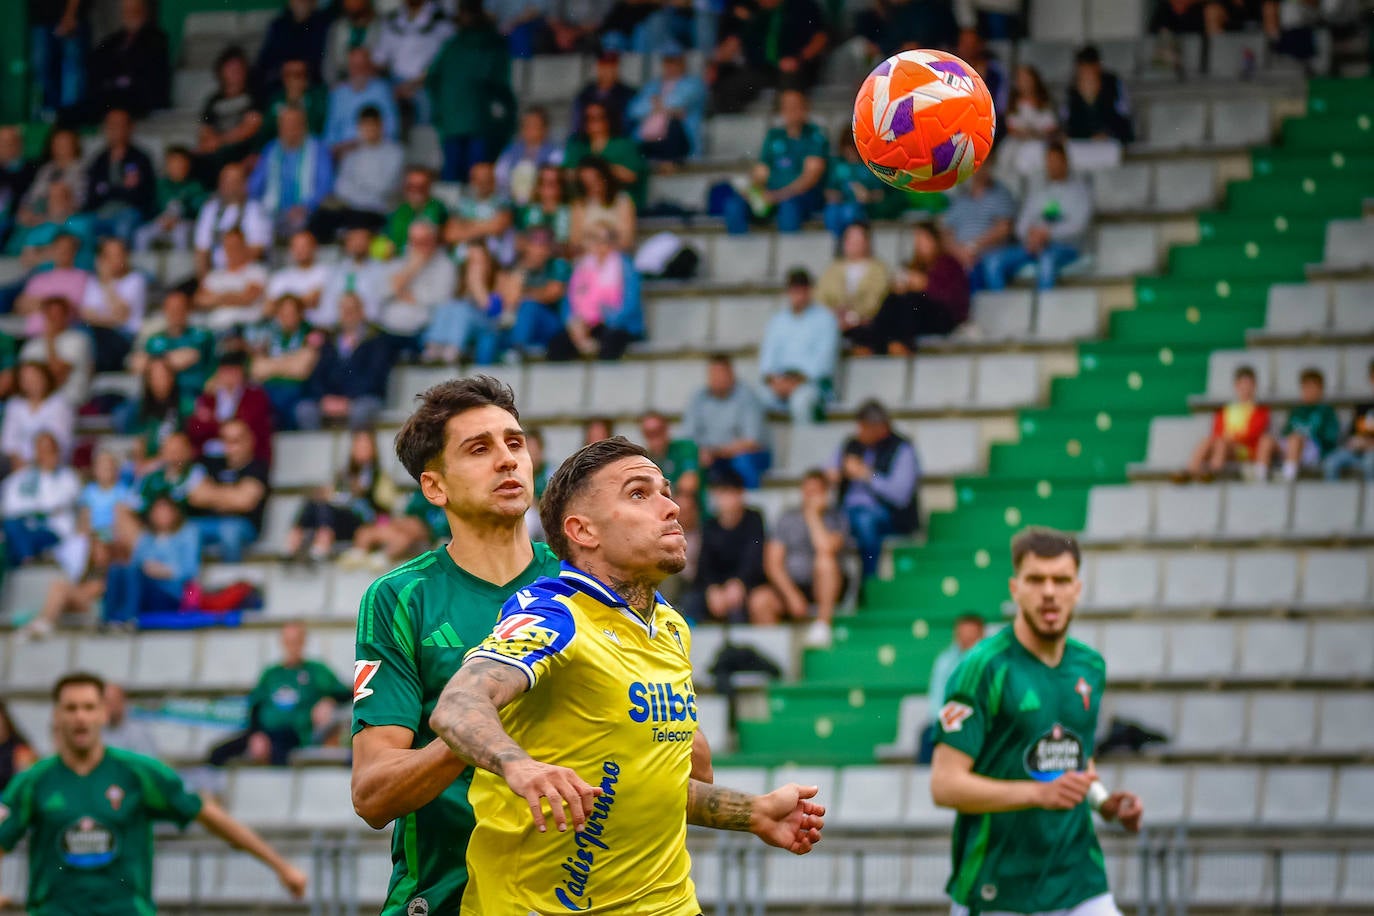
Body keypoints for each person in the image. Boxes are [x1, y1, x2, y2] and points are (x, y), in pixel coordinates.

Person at [428, 436, 824, 914]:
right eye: (640, 493)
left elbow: (649, 787)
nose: (672, 507)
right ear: (583, 531)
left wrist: (753, 812)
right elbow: (457, 706)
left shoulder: (671, 626)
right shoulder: (555, 615)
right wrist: (520, 766)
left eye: (666, 490)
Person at [348, 377, 568, 914]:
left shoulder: (587, 584)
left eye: (515, 443)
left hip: (574, 895)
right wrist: (475, 736)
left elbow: (683, 759)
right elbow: (373, 793)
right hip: (445, 898)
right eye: (479, 449)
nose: (507, 460)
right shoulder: (399, 598)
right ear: (434, 487)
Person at [931, 528, 1144, 916]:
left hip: (1079, 880)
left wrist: (1102, 801)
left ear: (1077, 589)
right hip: (1000, 888)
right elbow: (944, 786)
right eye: (1036, 579)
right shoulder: (981, 669)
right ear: (1015, 588)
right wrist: (1037, 793)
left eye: (1061, 580)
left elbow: (1074, 759)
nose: (1050, 591)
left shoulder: (1090, 667)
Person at [0, 672, 308, 912]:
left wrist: (280, 865)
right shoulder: (33, 782)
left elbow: (207, 814)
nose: (80, 716)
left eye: (89, 707)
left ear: (103, 714)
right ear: (57, 716)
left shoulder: (138, 773)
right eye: (71, 708)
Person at [210, 621, 351, 765]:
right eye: (289, 641)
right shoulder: (271, 674)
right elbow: (255, 706)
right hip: (264, 732)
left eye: (296, 641)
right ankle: (209, 785)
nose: (292, 646)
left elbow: (344, 694)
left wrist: (329, 701)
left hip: (294, 732)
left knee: (278, 754)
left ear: (303, 642)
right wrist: (256, 734)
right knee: (217, 752)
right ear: (282, 642)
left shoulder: (316, 671)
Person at [426, 0, 515, 185]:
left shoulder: (463, 45)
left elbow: (432, 79)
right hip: (472, 121)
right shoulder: (479, 44)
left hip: (463, 121)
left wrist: (441, 111)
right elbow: (500, 86)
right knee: (471, 174)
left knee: (461, 175)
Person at [983, 142, 1093, 291]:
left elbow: (1079, 226)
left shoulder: (1080, 191)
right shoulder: (1038, 191)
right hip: (1032, 246)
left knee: (1046, 261)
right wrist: (1032, 236)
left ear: (1065, 162)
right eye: (1049, 161)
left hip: (1066, 247)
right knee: (993, 261)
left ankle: (1045, 312)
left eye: (1056, 161)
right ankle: (1004, 311)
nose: (1052, 165)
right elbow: (1021, 225)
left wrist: (1047, 234)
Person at [756, 469, 848, 647]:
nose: (809, 497)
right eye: (806, 491)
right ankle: (774, 655)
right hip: (792, 587)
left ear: (825, 493)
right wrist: (791, 595)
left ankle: (823, 625)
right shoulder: (787, 518)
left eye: (815, 492)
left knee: (825, 561)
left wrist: (812, 516)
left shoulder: (836, 517)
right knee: (760, 601)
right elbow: (773, 564)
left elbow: (826, 547)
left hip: (825, 587)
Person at [830, 400, 920, 578]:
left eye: (863, 427)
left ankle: (868, 579)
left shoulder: (902, 449)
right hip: (846, 511)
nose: (859, 432)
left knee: (866, 521)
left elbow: (900, 495)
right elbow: (827, 469)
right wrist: (835, 474)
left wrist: (868, 475)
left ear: (879, 427)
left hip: (887, 516)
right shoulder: (850, 445)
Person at [724, 89, 829, 235]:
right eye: (786, 107)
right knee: (734, 205)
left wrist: (779, 195)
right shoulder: (774, 135)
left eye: (795, 106)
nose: (791, 111)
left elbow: (810, 178)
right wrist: (753, 191)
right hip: (772, 194)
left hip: (801, 197)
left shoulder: (815, 135)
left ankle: (788, 253)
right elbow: (762, 172)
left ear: (805, 108)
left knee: (789, 208)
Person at [857, 222, 970, 353]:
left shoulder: (949, 264)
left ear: (935, 240)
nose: (920, 244)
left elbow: (954, 299)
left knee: (911, 299)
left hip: (944, 318)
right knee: (893, 299)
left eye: (923, 239)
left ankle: (901, 344)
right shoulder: (915, 265)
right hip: (918, 318)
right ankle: (872, 343)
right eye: (917, 240)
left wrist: (925, 285)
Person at [285, 427, 389, 562]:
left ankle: (323, 542)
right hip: (339, 517)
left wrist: (354, 495)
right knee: (312, 502)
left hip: (361, 521)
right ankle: (294, 541)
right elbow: (337, 494)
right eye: (358, 444)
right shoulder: (344, 475)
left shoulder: (378, 477)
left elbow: (383, 508)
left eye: (365, 444)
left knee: (325, 507)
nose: (361, 448)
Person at [547, 223, 644, 361]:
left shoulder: (625, 266)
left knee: (610, 342)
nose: (599, 245)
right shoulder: (581, 266)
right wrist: (574, 324)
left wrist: (597, 320)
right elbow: (569, 302)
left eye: (604, 240)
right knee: (558, 345)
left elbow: (630, 304)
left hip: (615, 324)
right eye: (594, 239)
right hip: (584, 325)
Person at [298, 292, 394, 430]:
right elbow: (317, 375)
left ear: (361, 311)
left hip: (363, 398)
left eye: (352, 309)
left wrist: (348, 400)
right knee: (304, 410)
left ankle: (357, 450)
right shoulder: (329, 341)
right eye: (343, 309)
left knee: (360, 411)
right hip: (330, 399)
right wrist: (323, 399)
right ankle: (315, 451)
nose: (347, 313)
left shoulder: (377, 341)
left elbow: (375, 377)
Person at [711, 0, 829, 112]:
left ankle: (789, 127)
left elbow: (820, 39)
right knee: (727, 89)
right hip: (763, 70)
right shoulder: (754, 11)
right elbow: (734, 44)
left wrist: (799, 59)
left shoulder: (802, 6)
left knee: (789, 83)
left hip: (796, 68)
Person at [311, 106, 405, 242]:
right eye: (365, 126)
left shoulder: (395, 153)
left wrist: (357, 189)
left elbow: (383, 188)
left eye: (373, 125)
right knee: (320, 218)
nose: (369, 130)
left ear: (381, 125)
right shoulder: (352, 153)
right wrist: (360, 193)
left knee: (358, 220)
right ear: (359, 128)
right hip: (352, 208)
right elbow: (340, 187)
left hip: (379, 210)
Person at [759, 268, 840, 423]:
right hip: (779, 383)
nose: (799, 296)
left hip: (813, 385)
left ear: (810, 291)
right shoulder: (777, 321)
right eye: (794, 291)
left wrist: (796, 382)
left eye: (803, 291)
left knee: (801, 401)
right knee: (757, 400)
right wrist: (774, 381)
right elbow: (767, 359)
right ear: (788, 292)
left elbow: (824, 362)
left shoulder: (826, 319)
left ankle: (804, 446)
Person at [102, 495, 200, 624]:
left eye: (165, 510)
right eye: (157, 511)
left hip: (170, 593)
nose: (161, 515)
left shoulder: (187, 533)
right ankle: (109, 619)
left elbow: (190, 569)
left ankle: (129, 618)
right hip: (146, 586)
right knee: (116, 569)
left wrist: (163, 570)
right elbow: (135, 563)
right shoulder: (146, 537)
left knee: (134, 573)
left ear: (174, 513)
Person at [680, 353, 772, 488]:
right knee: (688, 463)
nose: (717, 379)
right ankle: (697, 507)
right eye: (713, 374)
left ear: (731, 374)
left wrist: (716, 452)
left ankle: (749, 503)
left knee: (743, 462)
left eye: (721, 374)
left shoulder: (748, 397)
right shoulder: (698, 398)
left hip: (746, 456)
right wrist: (699, 452)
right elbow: (687, 438)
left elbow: (752, 442)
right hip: (711, 457)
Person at [186, 419, 271, 561]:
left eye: (236, 440)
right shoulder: (212, 463)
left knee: (229, 530)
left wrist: (213, 494)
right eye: (226, 440)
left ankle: (232, 579)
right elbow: (195, 496)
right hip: (211, 523)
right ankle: (189, 581)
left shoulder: (258, 467)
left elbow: (244, 502)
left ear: (249, 440)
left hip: (244, 526)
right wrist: (232, 494)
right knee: (186, 529)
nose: (231, 446)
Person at [694, 464, 770, 622]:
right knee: (691, 602)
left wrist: (740, 582)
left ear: (740, 494)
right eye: (721, 493)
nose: (725, 499)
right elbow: (705, 563)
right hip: (718, 587)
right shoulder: (710, 525)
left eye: (729, 493)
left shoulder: (754, 519)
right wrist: (712, 588)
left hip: (749, 584)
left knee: (740, 606)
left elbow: (754, 557)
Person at [248, 105, 335, 238]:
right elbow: (255, 184)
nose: (290, 129)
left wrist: (306, 207)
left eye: (294, 123)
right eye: (285, 124)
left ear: (304, 125)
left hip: (306, 212)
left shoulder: (318, 149)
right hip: (272, 211)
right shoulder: (271, 149)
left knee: (298, 222)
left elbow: (325, 185)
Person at [128, 290, 217, 413]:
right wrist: (169, 361)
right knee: (125, 415)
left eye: (180, 308)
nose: (176, 313)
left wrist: (159, 361)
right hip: (159, 398)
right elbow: (137, 364)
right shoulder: (154, 340)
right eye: (172, 308)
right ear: (165, 310)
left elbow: (213, 368)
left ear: (188, 310)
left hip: (192, 395)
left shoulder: (203, 337)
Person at [2, 431, 80, 568]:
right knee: (11, 526)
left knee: (11, 539)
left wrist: (31, 509)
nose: (46, 455)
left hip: (52, 529)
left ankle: (26, 558)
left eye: (50, 450)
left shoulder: (68, 477)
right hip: (22, 526)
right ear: (35, 452)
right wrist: (32, 510)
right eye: (42, 451)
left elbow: (56, 504)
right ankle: (26, 556)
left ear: (57, 452)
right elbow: (9, 506)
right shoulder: (21, 477)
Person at [372, 0, 455, 126]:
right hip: (396, 83)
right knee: (379, 95)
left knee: (427, 102)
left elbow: (447, 60)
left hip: (428, 82)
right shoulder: (391, 19)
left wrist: (417, 82)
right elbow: (379, 59)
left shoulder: (442, 20)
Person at [495, 226, 571, 360]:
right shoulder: (518, 266)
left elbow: (551, 294)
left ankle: (517, 348)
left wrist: (523, 295)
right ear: (527, 246)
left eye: (544, 246)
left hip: (551, 324)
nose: (539, 250)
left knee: (528, 306)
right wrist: (522, 272)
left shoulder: (558, 265)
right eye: (535, 245)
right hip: (518, 320)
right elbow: (504, 298)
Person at [939, 162, 1019, 291]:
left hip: (988, 253)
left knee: (982, 268)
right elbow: (946, 234)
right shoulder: (960, 198)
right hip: (960, 255)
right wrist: (960, 253)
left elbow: (1004, 229)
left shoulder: (1001, 194)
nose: (979, 169)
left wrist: (973, 247)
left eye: (983, 165)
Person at [249, 294, 324, 429]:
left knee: (304, 411)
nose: (287, 317)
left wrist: (272, 365)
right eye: (283, 314)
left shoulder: (311, 333)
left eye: (291, 313)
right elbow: (257, 369)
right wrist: (290, 361)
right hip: (271, 394)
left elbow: (300, 370)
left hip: (298, 394)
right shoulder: (270, 335)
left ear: (300, 314)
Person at [1185, 364, 1271, 481]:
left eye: (1248, 385)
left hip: (1246, 451)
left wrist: (1230, 439)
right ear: (1236, 386)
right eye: (1242, 385)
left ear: (1254, 386)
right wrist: (1226, 439)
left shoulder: (1261, 411)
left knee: (1221, 443)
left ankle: (1213, 472)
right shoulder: (1226, 410)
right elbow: (1217, 432)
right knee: (1207, 441)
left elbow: (1253, 434)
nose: (1245, 389)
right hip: (1225, 445)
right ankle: (1192, 470)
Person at [626, 43, 707, 166]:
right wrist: (667, 109)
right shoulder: (653, 85)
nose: (671, 66)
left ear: (682, 62)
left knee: (674, 125)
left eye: (675, 61)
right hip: (648, 138)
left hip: (679, 142)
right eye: (668, 61)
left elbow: (678, 101)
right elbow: (634, 110)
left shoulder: (694, 83)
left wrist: (656, 105)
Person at [918, 612, 985, 763]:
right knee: (929, 735)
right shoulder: (944, 661)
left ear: (981, 634)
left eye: (971, 635)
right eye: (962, 634)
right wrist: (949, 721)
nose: (966, 639)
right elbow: (936, 700)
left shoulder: (992, 661)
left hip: (980, 723)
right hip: (949, 722)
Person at [84, 109, 157, 245]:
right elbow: (92, 195)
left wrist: (109, 190)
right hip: (102, 212)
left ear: (130, 127)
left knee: (124, 225)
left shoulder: (140, 158)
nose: (115, 129)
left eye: (120, 124)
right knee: (84, 227)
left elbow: (142, 195)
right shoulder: (99, 159)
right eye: (111, 125)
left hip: (129, 212)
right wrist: (121, 189)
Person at [186, 351, 274, 463]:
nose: (229, 376)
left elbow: (246, 426)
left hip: (247, 458)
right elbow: (195, 428)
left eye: (233, 371)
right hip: (212, 457)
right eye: (225, 372)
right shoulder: (208, 398)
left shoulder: (255, 396)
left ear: (242, 372)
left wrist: (212, 421)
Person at [88, 0, 170, 118]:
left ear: (145, 12)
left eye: (135, 11)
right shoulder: (113, 41)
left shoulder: (156, 39)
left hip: (140, 96)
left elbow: (149, 72)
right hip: (111, 94)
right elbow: (97, 63)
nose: (131, 14)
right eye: (127, 11)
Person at [196, 47, 266, 184]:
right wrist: (209, 142)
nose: (235, 72)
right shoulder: (213, 100)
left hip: (243, 147)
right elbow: (205, 128)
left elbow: (251, 126)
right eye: (230, 68)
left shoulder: (254, 96)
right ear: (221, 71)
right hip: (218, 148)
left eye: (238, 68)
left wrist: (220, 141)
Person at [563, 101, 650, 211]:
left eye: (599, 117)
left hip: (618, 204)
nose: (593, 122)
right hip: (584, 204)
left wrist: (599, 169)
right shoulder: (577, 145)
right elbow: (568, 174)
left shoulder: (625, 145)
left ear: (609, 119)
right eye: (588, 118)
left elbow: (632, 176)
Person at [422, 243, 501, 364]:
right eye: (472, 262)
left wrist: (477, 285)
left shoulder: (497, 283)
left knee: (462, 309)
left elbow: (493, 312)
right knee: (447, 305)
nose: (475, 267)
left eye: (480, 262)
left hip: (486, 327)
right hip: (465, 325)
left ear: (488, 264)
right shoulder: (459, 284)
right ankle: (434, 346)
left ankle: (453, 349)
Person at [816, 222, 892, 346]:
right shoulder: (832, 269)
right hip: (834, 322)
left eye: (858, 238)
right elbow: (820, 298)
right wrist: (834, 314)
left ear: (867, 242)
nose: (853, 243)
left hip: (865, 323)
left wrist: (853, 316)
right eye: (850, 238)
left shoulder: (879, 269)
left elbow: (877, 299)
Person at [380, 219, 458, 340]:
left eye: (424, 241)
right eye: (414, 241)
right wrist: (412, 268)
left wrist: (401, 293)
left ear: (434, 240)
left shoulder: (446, 265)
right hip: (388, 330)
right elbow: (384, 291)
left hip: (423, 332)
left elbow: (440, 301)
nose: (419, 246)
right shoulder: (401, 259)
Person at [1259, 367, 1341, 482]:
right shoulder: (1296, 411)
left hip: (1314, 450)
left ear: (1320, 389)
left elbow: (1330, 439)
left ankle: (1287, 480)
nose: (1307, 391)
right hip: (1292, 447)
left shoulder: (1327, 412)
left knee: (1295, 439)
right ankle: (1260, 479)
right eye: (1305, 387)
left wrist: (1304, 438)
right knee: (1266, 440)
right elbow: (1285, 433)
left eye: (1311, 387)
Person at [80, 237, 147, 373]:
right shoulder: (92, 282)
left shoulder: (135, 280)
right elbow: (85, 315)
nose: (115, 260)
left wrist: (107, 282)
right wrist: (108, 318)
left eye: (119, 254)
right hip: (96, 334)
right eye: (109, 256)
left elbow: (121, 317)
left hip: (123, 337)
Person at [194, 161, 272, 274]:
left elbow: (256, 250)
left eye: (234, 181)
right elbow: (201, 250)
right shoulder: (210, 209)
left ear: (245, 184)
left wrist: (232, 275)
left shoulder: (255, 210)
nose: (230, 186)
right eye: (226, 181)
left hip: (246, 273)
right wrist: (205, 281)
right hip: (215, 273)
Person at [19, 295, 94, 409]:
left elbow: (57, 372)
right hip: (35, 402)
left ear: (66, 316)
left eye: (58, 314)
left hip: (69, 400)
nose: (54, 319)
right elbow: (25, 379)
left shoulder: (78, 340)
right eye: (50, 314)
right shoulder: (32, 345)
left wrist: (50, 340)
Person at [193, 226, 269, 333]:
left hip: (243, 328)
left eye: (236, 246)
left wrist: (217, 297)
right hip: (215, 327)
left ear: (244, 246)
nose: (232, 250)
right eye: (228, 246)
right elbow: (200, 301)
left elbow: (247, 298)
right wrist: (232, 296)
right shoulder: (214, 275)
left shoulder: (256, 271)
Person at [13, 232, 90, 338]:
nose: (63, 251)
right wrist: (53, 302)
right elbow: (21, 306)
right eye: (59, 247)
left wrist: (40, 302)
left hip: (66, 335)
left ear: (75, 251)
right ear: (53, 250)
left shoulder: (83, 278)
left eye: (68, 248)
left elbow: (70, 307)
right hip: (35, 335)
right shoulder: (39, 278)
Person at [134, 146, 207, 253]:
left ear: (188, 165)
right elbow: (149, 208)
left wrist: (182, 215)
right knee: (141, 234)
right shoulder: (159, 185)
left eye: (181, 163)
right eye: (174, 163)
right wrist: (159, 218)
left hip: (185, 224)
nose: (177, 167)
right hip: (161, 223)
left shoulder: (195, 186)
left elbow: (199, 212)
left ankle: (181, 268)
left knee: (181, 233)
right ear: (167, 165)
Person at [1, 361, 74, 469]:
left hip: (51, 461)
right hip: (16, 463)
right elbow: (8, 440)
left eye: (35, 377)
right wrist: (17, 461)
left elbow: (60, 439)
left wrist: (38, 461)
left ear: (44, 377)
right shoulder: (14, 404)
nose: (32, 382)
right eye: (26, 380)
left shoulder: (59, 403)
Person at [325, 47, 400, 152]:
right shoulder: (338, 94)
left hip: (376, 147)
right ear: (348, 68)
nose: (359, 70)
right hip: (345, 151)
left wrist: (367, 140)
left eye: (363, 65)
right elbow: (330, 131)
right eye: (355, 66)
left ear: (369, 67)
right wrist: (336, 148)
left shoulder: (382, 89)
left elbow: (392, 127)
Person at [444, 161, 516, 266]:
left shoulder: (503, 202)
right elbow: (451, 234)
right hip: (465, 259)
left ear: (494, 180)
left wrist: (467, 225)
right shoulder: (462, 204)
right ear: (472, 181)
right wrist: (487, 225)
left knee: (477, 253)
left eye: (487, 179)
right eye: (479, 180)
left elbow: (498, 227)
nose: (483, 184)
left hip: (495, 259)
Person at [1065, 45, 1135, 144]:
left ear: (1098, 67)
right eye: (1083, 73)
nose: (1088, 78)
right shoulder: (1072, 90)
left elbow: (1125, 122)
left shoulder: (1114, 84)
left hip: (1113, 144)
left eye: (1091, 73)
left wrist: (1108, 134)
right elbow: (1070, 128)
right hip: (1083, 147)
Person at [494, 107, 562, 207]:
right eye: (526, 125)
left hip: (540, 205)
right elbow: (500, 177)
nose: (530, 130)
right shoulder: (510, 152)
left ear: (545, 129)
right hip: (511, 204)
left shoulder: (555, 153)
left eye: (535, 125)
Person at [1000, 64, 1060, 178]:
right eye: (1021, 79)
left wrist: (1034, 133)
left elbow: (1051, 129)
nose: (1024, 83)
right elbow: (1011, 128)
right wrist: (1024, 133)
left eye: (1027, 79)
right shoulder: (1013, 105)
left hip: (1040, 144)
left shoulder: (1044, 104)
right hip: (1016, 144)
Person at [255, 0, 331, 89]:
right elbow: (265, 63)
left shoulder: (324, 25)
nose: (301, 2)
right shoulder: (278, 26)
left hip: (313, 87)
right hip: (280, 87)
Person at [569, 156, 636, 255]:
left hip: (615, 256)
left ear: (605, 177)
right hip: (587, 257)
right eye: (587, 183)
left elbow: (626, 240)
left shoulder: (623, 202)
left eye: (595, 180)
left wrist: (604, 249)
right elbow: (575, 241)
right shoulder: (579, 204)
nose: (592, 186)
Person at [18, 129, 87, 222]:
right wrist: (26, 209)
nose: (61, 147)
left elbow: (80, 199)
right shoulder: (46, 169)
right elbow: (32, 194)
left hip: (66, 216)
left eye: (65, 144)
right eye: (57, 143)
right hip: (38, 212)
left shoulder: (82, 168)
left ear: (74, 145)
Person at [1324, 359, 1374, 481]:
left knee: (1369, 463)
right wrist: (1356, 442)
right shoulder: (1363, 405)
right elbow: (1352, 435)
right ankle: (1334, 498)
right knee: (1330, 462)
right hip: (1359, 450)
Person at [260, 58, 329, 145]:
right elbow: (265, 134)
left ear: (306, 79)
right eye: (287, 75)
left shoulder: (317, 100)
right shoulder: (275, 100)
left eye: (297, 75)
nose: (292, 80)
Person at [383, 165, 448, 256]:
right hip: (399, 260)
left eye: (421, 186)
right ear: (404, 187)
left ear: (429, 186)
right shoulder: (396, 211)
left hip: (430, 260)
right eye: (411, 186)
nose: (416, 190)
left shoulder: (438, 208)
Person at [571, 51, 637, 139]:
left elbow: (628, 125)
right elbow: (577, 125)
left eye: (611, 66)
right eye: (603, 66)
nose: (607, 70)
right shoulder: (585, 94)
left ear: (616, 68)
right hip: (588, 142)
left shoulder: (627, 94)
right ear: (597, 67)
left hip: (618, 141)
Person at [640, 410, 700, 500]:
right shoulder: (645, 460)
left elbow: (689, 485)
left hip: (693, 507)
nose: (655, 437)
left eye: (658, 431)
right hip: (665, 505)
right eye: (649, 433)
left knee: (684, 500)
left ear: (666, 429)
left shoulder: (685, 448)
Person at [517, 164, 573, 251]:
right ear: (538, 186)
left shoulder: (571, 212)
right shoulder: (528, 210)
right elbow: (520, 241)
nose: (549, 187)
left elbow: (572, 244)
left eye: (554, 183)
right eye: (544, 182)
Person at [324, 0, 382, 85]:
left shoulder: (380, 27)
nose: (352, 3)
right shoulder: (337, 28)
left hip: (373, 84)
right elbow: (329, 66)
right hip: (342, 85)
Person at [0, 126, 37, 249]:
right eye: (2, 143)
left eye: (10, 143)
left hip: (21, 218)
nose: (5, 147)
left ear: (20, 144)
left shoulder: (32, 169)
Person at [101, 683, 160, 758]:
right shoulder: (96, 731)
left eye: (111, 702)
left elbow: (147, 765)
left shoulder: (138, 734)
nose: (107, 707)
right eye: (104, 702)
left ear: (123, 702)